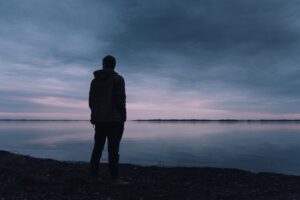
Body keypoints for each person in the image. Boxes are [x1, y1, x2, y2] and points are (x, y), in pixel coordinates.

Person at [89, 55, 127, 184]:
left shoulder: (94, 81)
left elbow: (91, 102)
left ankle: (93, 176)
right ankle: (114, 178)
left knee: (98, 147)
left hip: (99, 120)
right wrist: (123, 116)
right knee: (113, 149)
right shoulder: (118, 79)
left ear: (103, 64)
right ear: (114, 65)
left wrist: (95, 115)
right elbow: (120, 100)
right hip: (114, 120)